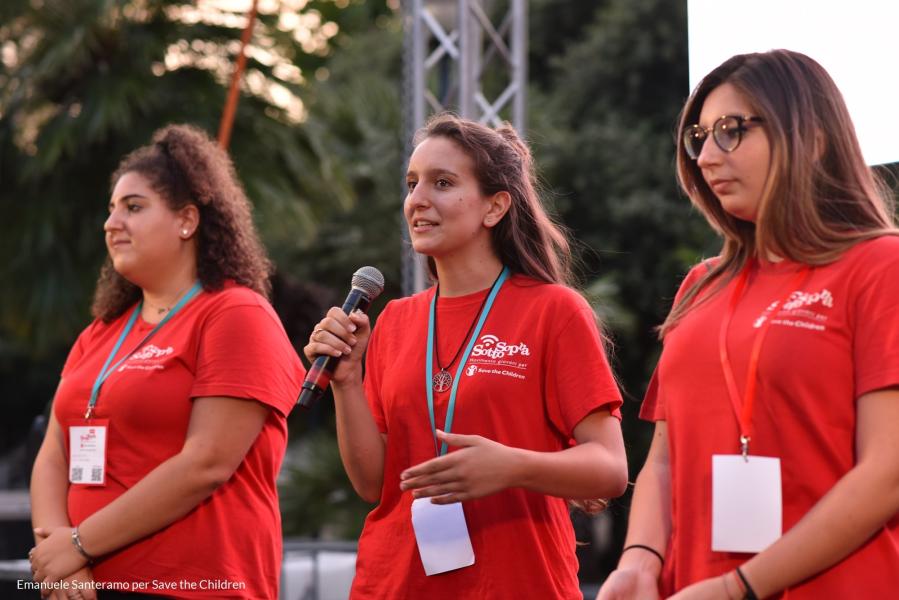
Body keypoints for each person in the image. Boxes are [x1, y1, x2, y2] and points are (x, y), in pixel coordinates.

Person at [597, 49, 899, 600]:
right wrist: (640, 560)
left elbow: (888, 472)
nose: (708, 155)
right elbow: (664, 460)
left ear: (811, 137)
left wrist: (740, 588)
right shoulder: (701, 285)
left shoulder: (880, 266)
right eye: (700, 136)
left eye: (732, 130)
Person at [304, 113, 628, 599]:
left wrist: (512, 466)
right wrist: (347, 381)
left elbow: (610, 468)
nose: (418, 200)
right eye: (412, 183)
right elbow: (374, 483)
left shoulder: (554, 311)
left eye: (443, 183)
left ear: (494, 207)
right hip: (394, 584)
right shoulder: (394, 319)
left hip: (518, 584)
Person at [29, 124, 304, 599]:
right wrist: (59, 556)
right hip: (87, 585)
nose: (112, 223)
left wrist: (79, 544)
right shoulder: (101, 332)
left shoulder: (235, 313)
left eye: (133, 207)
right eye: (111, 210)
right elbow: (54, 454)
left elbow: (206, 463)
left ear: (187, 220)